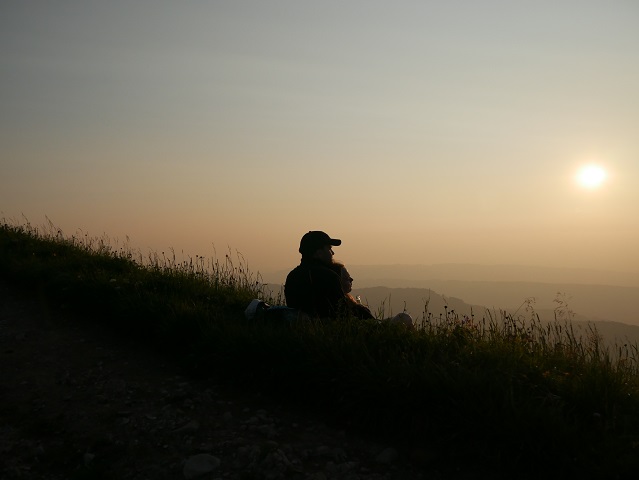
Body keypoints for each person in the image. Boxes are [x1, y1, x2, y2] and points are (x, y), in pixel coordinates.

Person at [285, 231, 368, 319]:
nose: (332, 253)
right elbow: (342, 313)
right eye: (329, 249)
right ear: (319, 253)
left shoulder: (292, 276)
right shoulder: (329, 276)